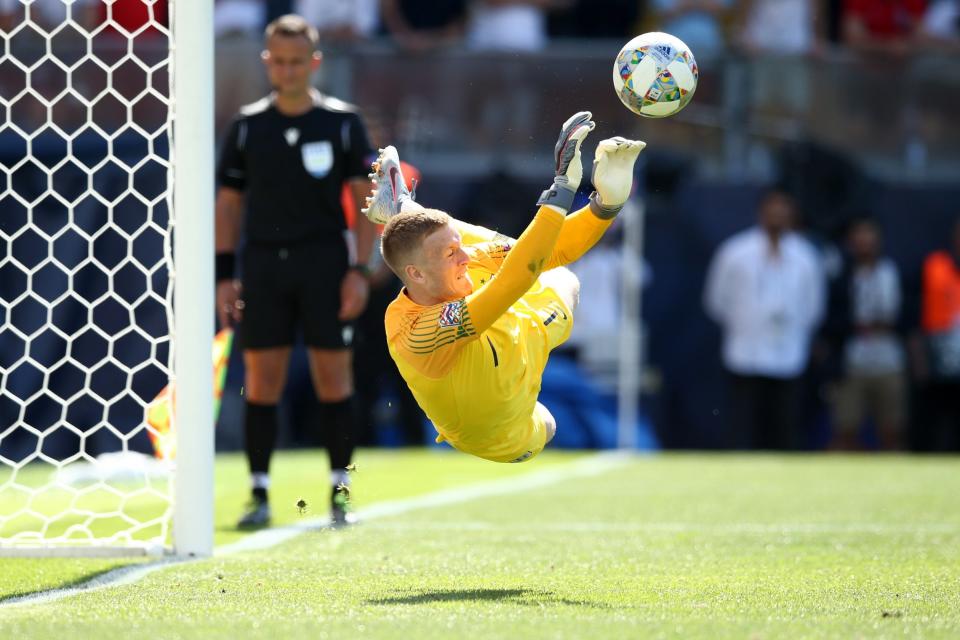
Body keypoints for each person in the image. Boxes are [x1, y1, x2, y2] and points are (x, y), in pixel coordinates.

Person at [362, 112, 645, 463]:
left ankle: (403, 210)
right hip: (492, 435)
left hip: (518, 339)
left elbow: (548, 250)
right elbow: (519, 275)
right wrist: (562, 189)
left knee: (553, 272)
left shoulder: (458, 262)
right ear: (416, 275)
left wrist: (605, 206)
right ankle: (402, 210)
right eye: (452, 253)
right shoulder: (418, 330)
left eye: (458, 247)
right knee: (542, 277)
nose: (466, 256)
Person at [215, 14, 377, 527]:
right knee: (262, 380)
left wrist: (360, 268)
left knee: (335, 376)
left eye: (296, 61)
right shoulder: (246, 126)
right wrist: (225, 273)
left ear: (315, 62)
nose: (286, 71)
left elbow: (363, 199)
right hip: (263, 264)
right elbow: (227, 206)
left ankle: (340, 492)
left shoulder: (342, 122)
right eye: (278, 61)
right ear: (267, 62)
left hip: (325, 262)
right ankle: (259, 493)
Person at [703, 188, 825, 450]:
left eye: (784, 209)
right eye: (773, 208)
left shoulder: (806, 256)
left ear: (792, 214)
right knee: (742, 426)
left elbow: (814, 305)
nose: (778, 215)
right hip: (745, 352)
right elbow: (716, 300)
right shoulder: (735, 252)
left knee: (784, 426)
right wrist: (744, 323)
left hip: (789, 354)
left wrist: (796, 331)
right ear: (761, 212)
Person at [827, 218, 906, 450]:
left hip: (889, 361)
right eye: (858, 234)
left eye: (869, 233)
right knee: (846, 428)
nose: (864, 240)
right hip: (853, 362)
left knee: (892, 429)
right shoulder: (841, 277)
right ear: (850, 241)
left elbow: (909, 316)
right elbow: (831, 319)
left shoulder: (893, 271)